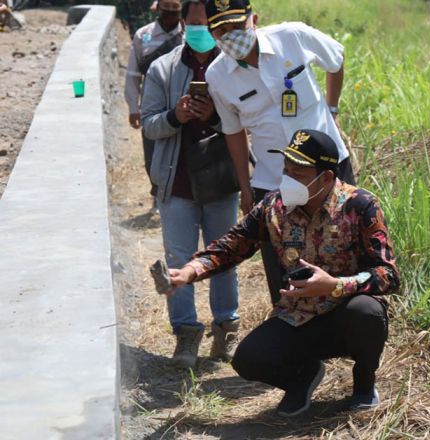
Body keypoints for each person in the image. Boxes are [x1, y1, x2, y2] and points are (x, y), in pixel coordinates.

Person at [167, 129, 400, 416]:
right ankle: (302, 378)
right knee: (248, 360)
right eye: (286, 170)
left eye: (299, 173)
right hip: (298, 317)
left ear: (326, 178)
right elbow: (232, 246)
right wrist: (190, 271)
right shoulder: (274, 208)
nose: (288, 179)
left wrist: (335, 285)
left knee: (367, 313)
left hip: (346, 315)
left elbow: (387, 273)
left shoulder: (360, 206)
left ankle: (364, 383)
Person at [204, 0, 355, 305]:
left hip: (329, 170)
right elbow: (234, 133)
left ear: (254, 19)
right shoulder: (218, 76)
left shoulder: (292, 37)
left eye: (237, 25)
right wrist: (245, 188)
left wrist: (333, 110)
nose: (230, 34)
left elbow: (336, 60)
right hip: (274, 181)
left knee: (344, 251)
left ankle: (348, 326)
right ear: (211, 33)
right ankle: (296, 340)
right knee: (285, 264)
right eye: (221, 28)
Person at [141, 0, 240, 369]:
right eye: (193, 22)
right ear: (182, 23)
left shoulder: (231, 67)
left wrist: (214, 118)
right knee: (178, 260)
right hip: (176, 180)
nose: (200, 29)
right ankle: (185, 333)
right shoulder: (162, 69)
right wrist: (175, 115)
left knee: (223, 259)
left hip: (220, 181)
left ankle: (226, 327)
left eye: (206, 23)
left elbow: (244, 122)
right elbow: (149, 123)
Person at [125, 0, 183, 214]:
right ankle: (156, 193)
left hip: (180, 103)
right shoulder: (143, 35)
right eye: (166, 14)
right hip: (152, 104)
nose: (169, 19)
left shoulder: (188, 35)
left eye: (174, 15)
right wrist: (133, 106)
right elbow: (133, 74)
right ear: (158, 12)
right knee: (152, 153)